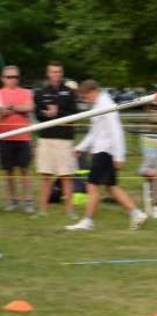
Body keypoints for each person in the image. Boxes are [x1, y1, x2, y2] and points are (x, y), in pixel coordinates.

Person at [65, 80, 147, 231]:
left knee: (92, 187)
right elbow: (94, 132)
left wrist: (119, 156)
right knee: (111, 187)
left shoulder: (106, 105)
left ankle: (87, 221)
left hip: (103, 152)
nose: (85, 99)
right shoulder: (98, 105)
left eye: (85, 96)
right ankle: (137, 213)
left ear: (93, 91)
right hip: (103, 151)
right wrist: (80, 148)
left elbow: (116, 130)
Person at [34, 61, 78, 218]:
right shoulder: (40, 92)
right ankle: (42, 210)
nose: (56, 74)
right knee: (46, 175)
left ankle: (70, 210)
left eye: (58, 71)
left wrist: (58, 112)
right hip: (46, 138)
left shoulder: (69, 92)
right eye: (53, 72)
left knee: (66, 176)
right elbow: (38, 115)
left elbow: (75, 114)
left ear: (62, 73)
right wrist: (46, 114)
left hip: (64, 139)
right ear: (48, 73)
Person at [0, 65, 34, 213]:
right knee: (9, 171)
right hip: (5, 137)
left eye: (15, 77)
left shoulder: (26, 92)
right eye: (9, 77)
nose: (12, 80)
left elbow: (29, 107)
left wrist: (11, 108)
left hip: (23, 136)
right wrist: (8, 111)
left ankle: (28, 201)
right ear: (3, 79)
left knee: (25, 170)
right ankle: (12, 200)